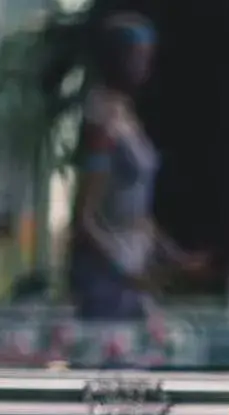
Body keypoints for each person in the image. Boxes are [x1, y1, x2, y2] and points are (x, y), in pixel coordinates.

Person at [68, 12, 208, 321]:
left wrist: (175, 256)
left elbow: (138, 213)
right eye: (136, 55)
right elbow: (85, 218)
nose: (144, 65)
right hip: (109, 278)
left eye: (147, 56)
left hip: (135, 270)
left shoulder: (127, 115)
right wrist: (124, 271)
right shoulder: (101, 122)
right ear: (114, 57)